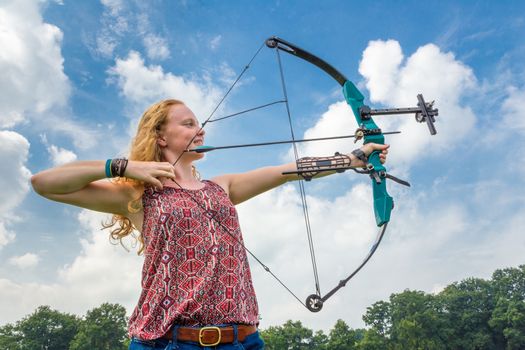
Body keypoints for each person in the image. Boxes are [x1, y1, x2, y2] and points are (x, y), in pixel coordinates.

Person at [31, 99, 389, 349]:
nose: (199, 130)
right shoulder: (139, 193)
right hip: (168, 342)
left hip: (241, 339)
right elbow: (43, 183)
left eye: (198, 124)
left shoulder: (222, 187)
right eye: (188, 124)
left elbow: (288, 171)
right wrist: (122, 168)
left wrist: (352, 158)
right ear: (160, 136)